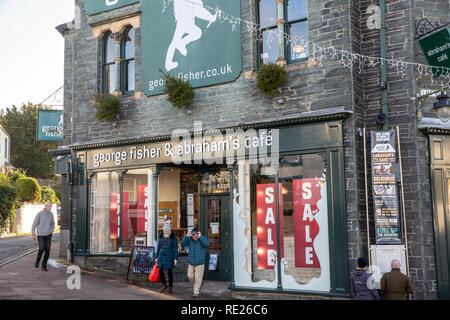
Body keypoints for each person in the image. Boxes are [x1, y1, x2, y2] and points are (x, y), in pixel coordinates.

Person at [180, 228, 210, 298]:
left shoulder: (202, 239)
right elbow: (182, 243)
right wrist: (186, 236)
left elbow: (207, 244)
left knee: (198, 278)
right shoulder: (190, 239)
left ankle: (196, 292)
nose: (194, 238)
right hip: (191, 261)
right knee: (190, 276)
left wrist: (200, 237)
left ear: (198, 234)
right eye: (193, 236)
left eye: (195, 236)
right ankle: (199, 284)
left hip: (200, 262)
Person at [155, 221, 178, 294]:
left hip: (170, 256)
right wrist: (156, 257)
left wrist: (175, 258)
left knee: (169, 272)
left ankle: (170, 287)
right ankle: (164, 284)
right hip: (161, 256)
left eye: (167, 229)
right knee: (160, 270)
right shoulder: (161, 237)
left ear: (170, 230)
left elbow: (175, 249)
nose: (166, 231)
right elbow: (158, 248)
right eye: (165, 229)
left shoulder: (173, 238)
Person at [31, 202, 55, 271]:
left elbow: (53, 224)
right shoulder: (40, 214)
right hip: (41, 234)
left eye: (51, 206)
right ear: (45, 206)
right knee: (42, 248)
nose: (50, 208)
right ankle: (37, 260)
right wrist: (33, 233)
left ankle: (44, 266)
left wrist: (52, 229)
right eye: (49, 206)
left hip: (48, 235)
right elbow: (34, 224)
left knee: (47, 250)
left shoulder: (51, 214)